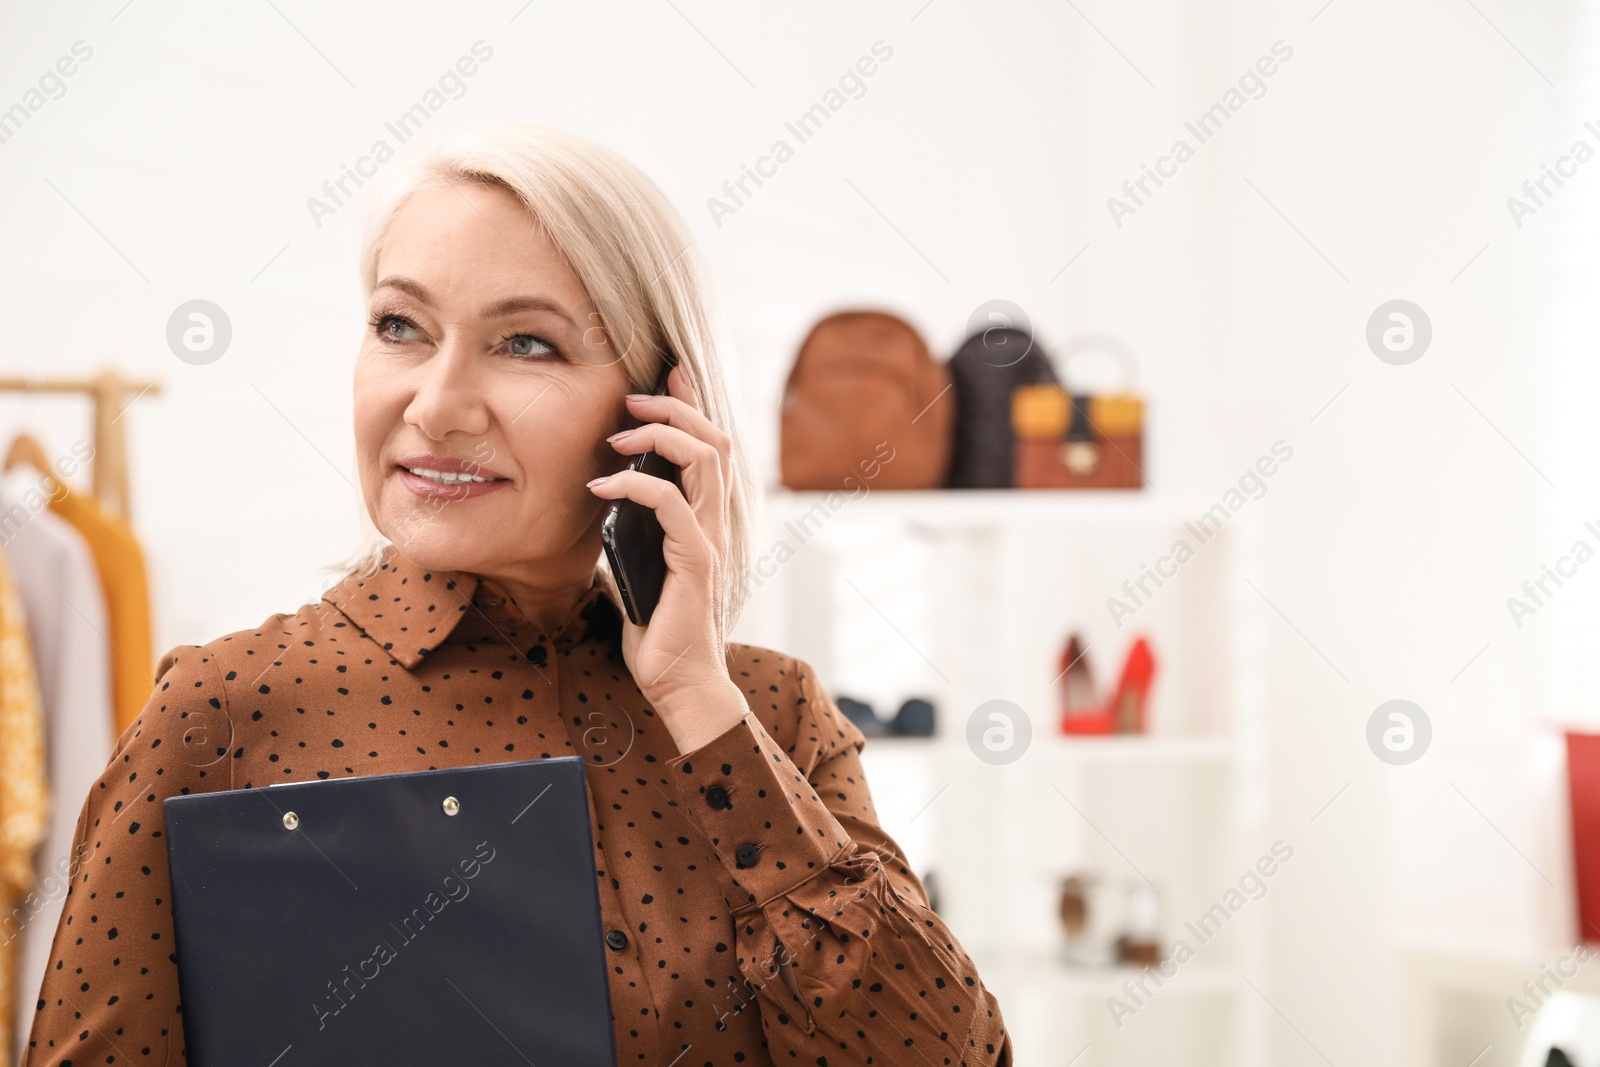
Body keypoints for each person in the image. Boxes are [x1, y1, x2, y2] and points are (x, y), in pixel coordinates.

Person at [22, 124, 1011, 1066]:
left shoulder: (773, 719)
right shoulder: (220, 715)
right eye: (399, 325)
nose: (437, 404)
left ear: (656, 406)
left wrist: (698, 701)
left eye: (525, 344)